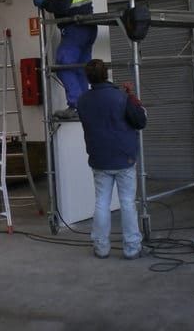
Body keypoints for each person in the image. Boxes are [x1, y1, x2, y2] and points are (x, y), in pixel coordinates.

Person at [76, 59, 147, 260]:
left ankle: (101, 247)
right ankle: (132, 248)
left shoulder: (82, 100)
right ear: (106, 73)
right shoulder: (120, 97)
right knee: (127, 203)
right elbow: (140, 121)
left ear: (87, 78)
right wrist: (131, 96)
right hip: (124, 158)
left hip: (99, 158)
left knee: (101, 203)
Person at [33, 0, 97, 119]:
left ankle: (75, 105)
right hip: (88, 28)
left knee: (63, 64)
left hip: (75, 29)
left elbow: (61, 7)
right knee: (81, 68)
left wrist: (43, 3)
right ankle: (86, 106)